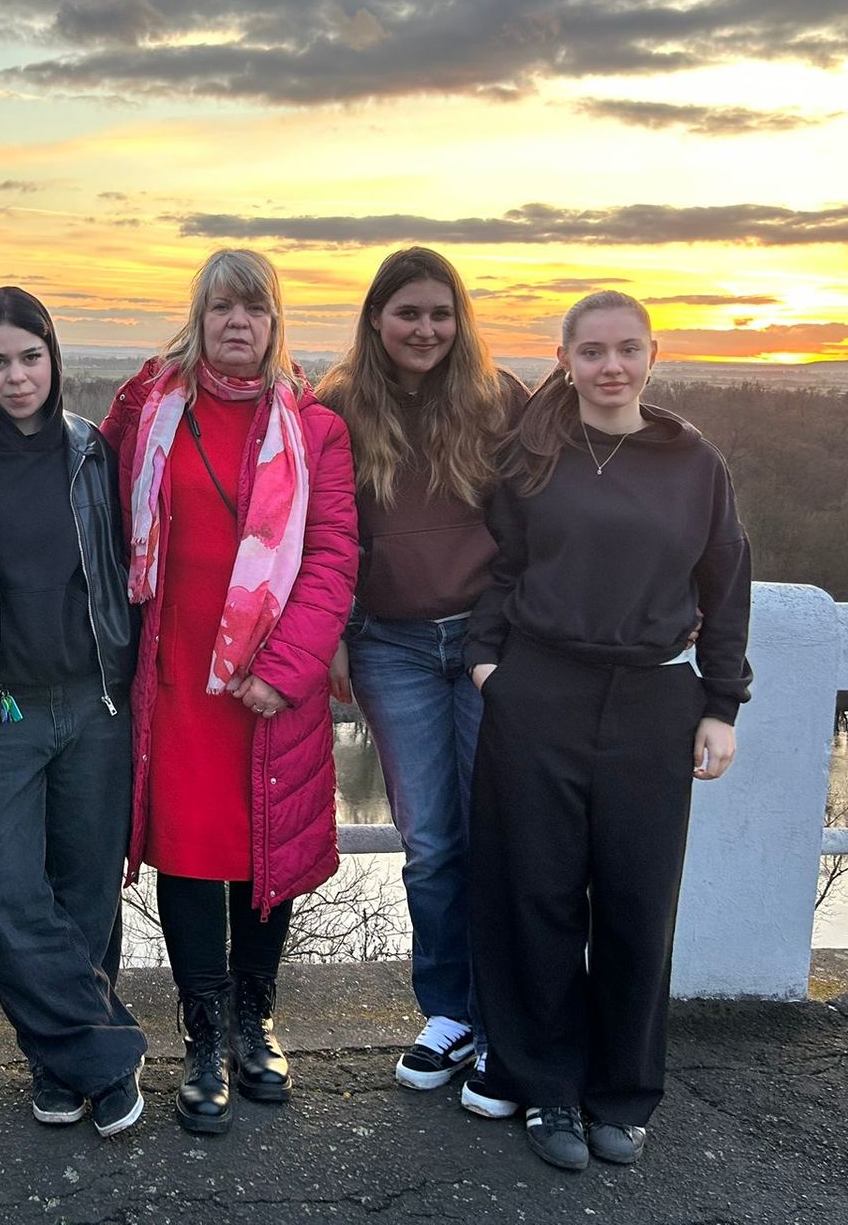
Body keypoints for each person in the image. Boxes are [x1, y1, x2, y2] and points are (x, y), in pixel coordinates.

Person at [464, 290, 751, 1172]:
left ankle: (621, 1093)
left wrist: (721, 703)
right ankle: (547, 1086)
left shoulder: (693, 462)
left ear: (654, 355)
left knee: (636, 901)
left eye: (628, 348)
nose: (611, 366)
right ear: (565, 360)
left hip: (653, 698)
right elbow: (502, 566)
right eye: (592, 351)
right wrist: (487, 665)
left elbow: (727, 582)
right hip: (538, 692)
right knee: (537, 895)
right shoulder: (534, 457)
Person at [100, 248, 357, 1136]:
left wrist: (284, 670)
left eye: (254, 308)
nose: (237, 323)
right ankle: (202, 1037)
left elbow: (332, 558)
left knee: (264, 854)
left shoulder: (315, 429)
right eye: (221, 309)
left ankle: (255, 1023)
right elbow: (92, 493)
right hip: (174, 678)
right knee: (190, 854)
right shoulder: (153, 408)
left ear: (276, 321)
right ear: (199, 318)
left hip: (267, 687)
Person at [0, 286, 147, 1137]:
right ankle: (108, 1056)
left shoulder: (92, 452)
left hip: (94, 700)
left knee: (87, 891)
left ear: (53, 358)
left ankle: (60, 1065)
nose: (16, 377)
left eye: (30, 357)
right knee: (9, 891)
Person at [315, 246, 527, 1114]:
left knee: (495, 831)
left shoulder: (498, 399)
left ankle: (502, 1016)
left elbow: (544, 520)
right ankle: (449, 1012)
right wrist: (330, 632)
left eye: (441, 313)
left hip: (487, 643)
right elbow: (318, 531)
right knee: (431, 837)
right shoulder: (338, 406)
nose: (426, 329)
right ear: (377, 318)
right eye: (408, 312)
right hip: (390, 647)